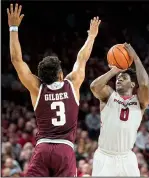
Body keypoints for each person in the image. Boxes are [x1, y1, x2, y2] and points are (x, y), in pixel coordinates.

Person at [7, 3, 101, 177]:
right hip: (64, 151)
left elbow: (16, 60)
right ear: (60, 75)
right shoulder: (72, 83)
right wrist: (92, 36)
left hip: (42, 149)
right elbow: (82, 58)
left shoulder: (37, 88)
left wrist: (13, 28)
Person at [90, 43, 149, 176]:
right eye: (117, 78)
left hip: (127, 157)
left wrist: (135, 58)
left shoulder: (139, 102)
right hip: (105, 156)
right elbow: (94, 87)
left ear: (133, 84)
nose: (119, 79)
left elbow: (145, 84)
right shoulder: (109, 96)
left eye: (123, 78)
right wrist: (113, 71)